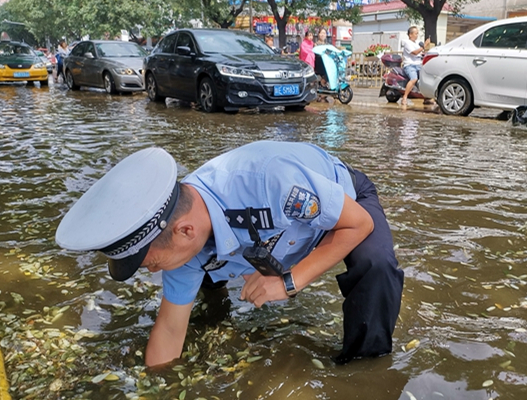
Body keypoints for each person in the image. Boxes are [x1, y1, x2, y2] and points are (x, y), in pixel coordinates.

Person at [55, 141, 405, 367]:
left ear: (184, 231)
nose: (152, 272)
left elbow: (357, 224)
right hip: (265, 241)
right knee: (197, 275)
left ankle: (367, 363)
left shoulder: (272, 181)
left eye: (152, 264)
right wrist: (155, 385)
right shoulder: (176, 236)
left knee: (376, 266)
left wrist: (287, 282)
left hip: (341, 204)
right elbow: (170, 329)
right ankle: (217, 303)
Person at [401, 26, 430, 107]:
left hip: (419, 65)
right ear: (410, 35)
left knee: (425, 79)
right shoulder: (407, 43)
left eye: (417, 33)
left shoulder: (417, 43)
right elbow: (414, 53)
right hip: (410, 65)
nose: (417, 35)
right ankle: (404, 97)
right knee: (414, 79)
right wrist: (424, 45)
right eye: (415, 33)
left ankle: (426, 98)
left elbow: (420, 53)